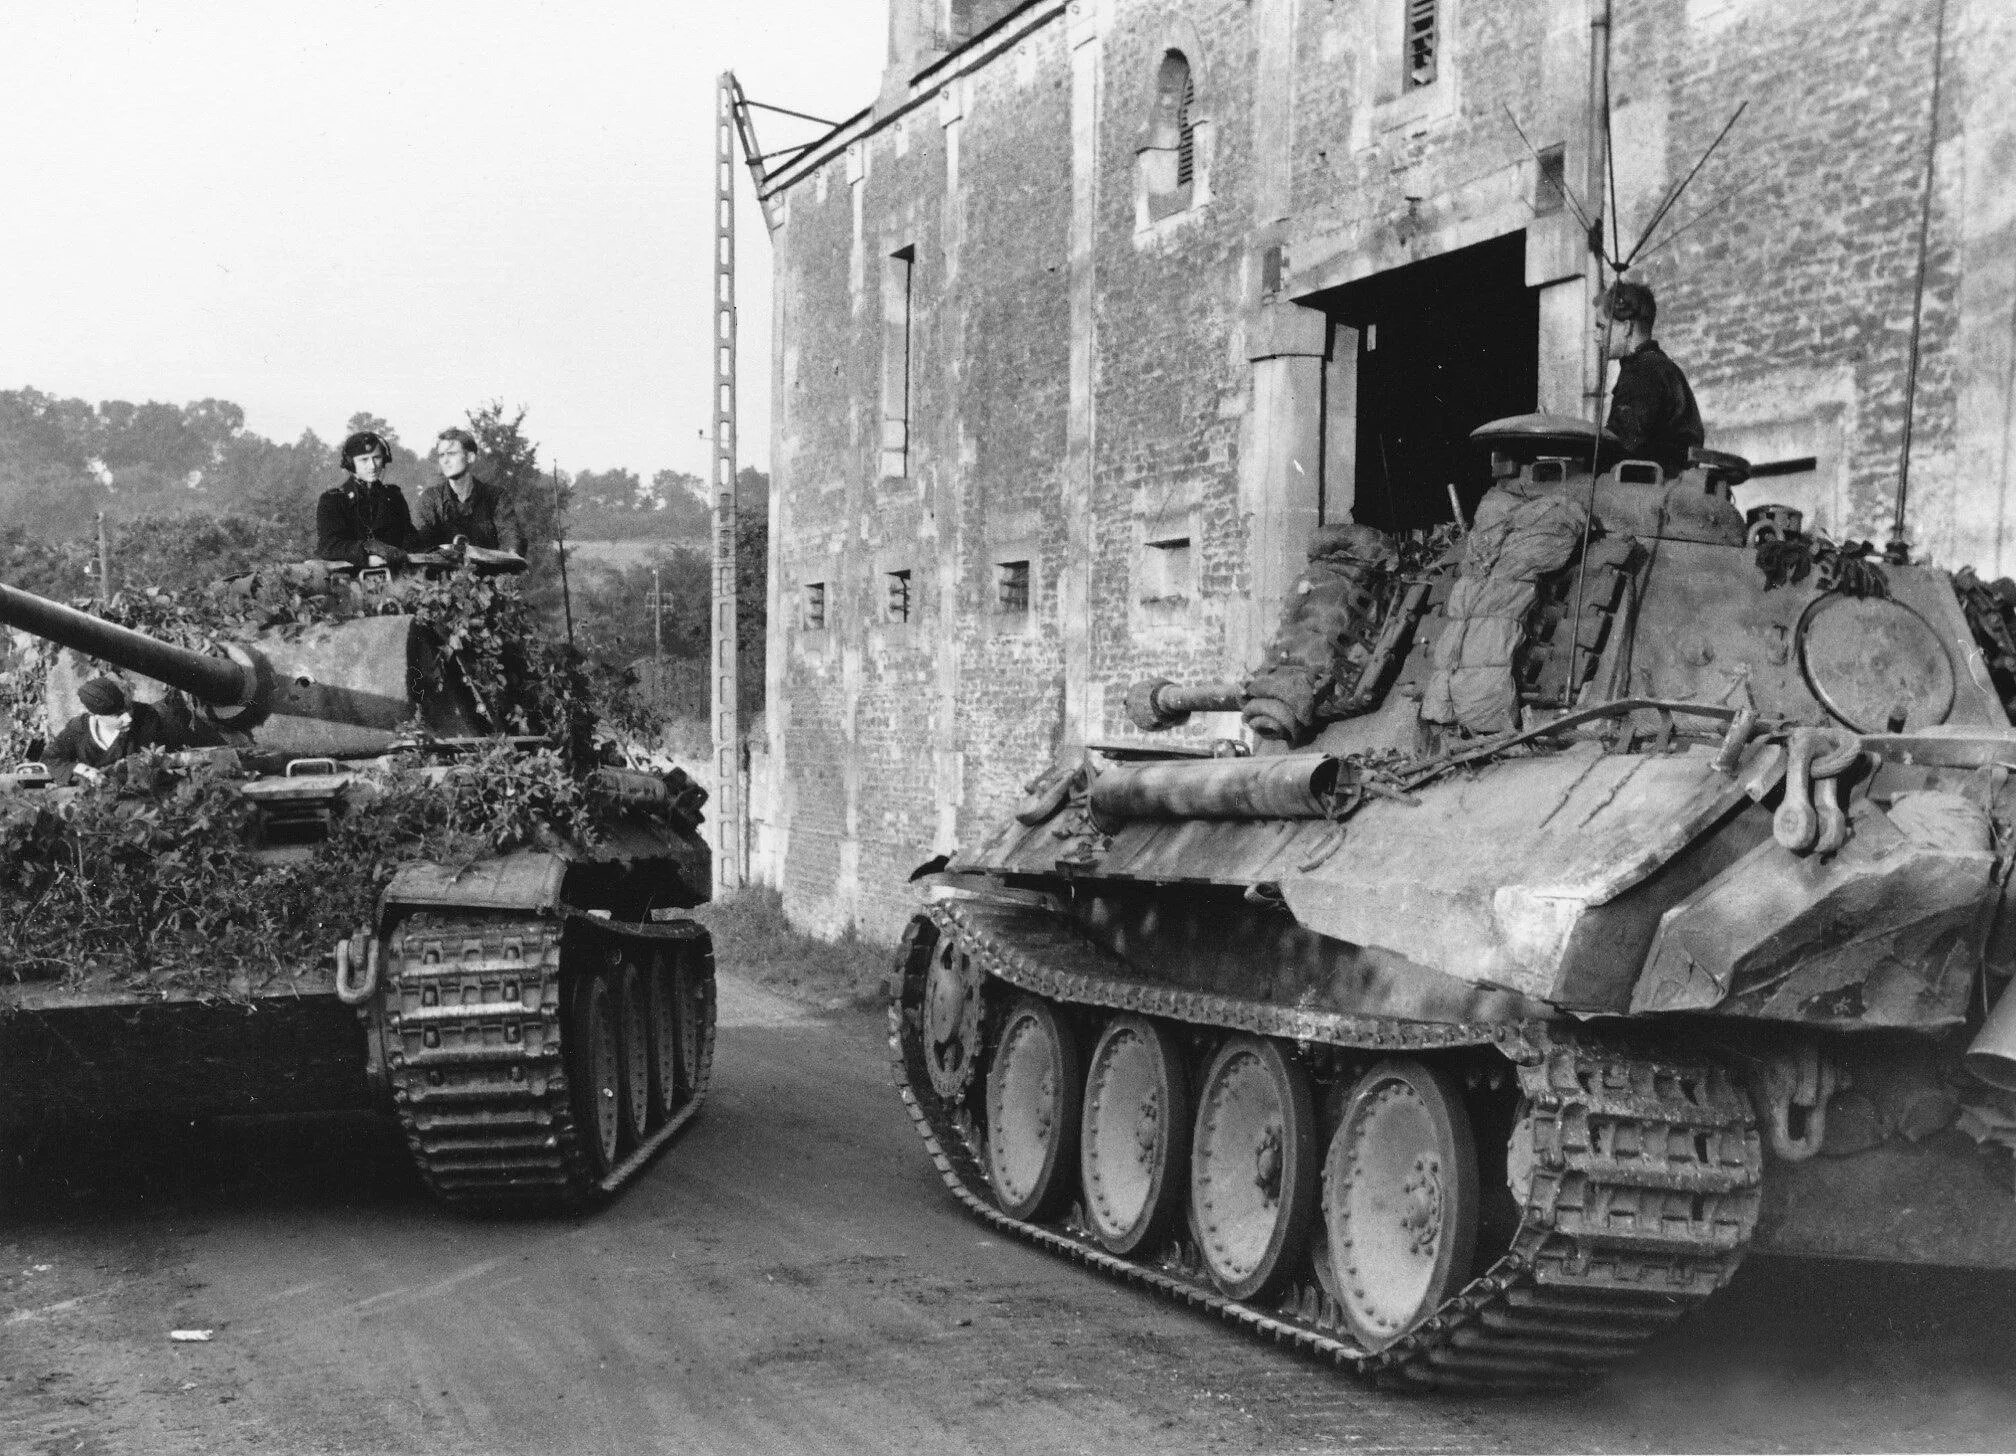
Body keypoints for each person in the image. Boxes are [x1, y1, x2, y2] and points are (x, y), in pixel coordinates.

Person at [1595, 280, 1704, 480]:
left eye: (1601, 327)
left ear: (1626, 327)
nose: (1596, 336)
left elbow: (1622, 444)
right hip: (1671, 482)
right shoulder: (1663, 367)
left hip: (1648, 488)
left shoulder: (1641, 371)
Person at [410, 427, 527, 556]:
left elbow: (510, 535)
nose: (445, 460)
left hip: (490, 573)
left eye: (452, 453)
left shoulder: (496, 497)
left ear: (470, 457)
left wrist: (512, 553)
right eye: (441, 455)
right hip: (442, 572)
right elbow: (420, 542)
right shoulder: (431, 499)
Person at [44, 676, 178, 785]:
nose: (128, 718)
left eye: (128, 709)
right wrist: (85, 771)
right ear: (96, 715)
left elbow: (162, 758)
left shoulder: (146, 717)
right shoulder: (78, 729)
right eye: (117, 715)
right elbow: (52, 758)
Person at [316, 429, 415, 566]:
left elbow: (410, 539)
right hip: (351, 578)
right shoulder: (333, 500)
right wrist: (366, 554)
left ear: (384, 459)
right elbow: (329, 546)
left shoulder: (394, 497)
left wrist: (436, 550)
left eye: (377, 458)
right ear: (351, 463)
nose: (372, 466)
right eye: (364, 460)